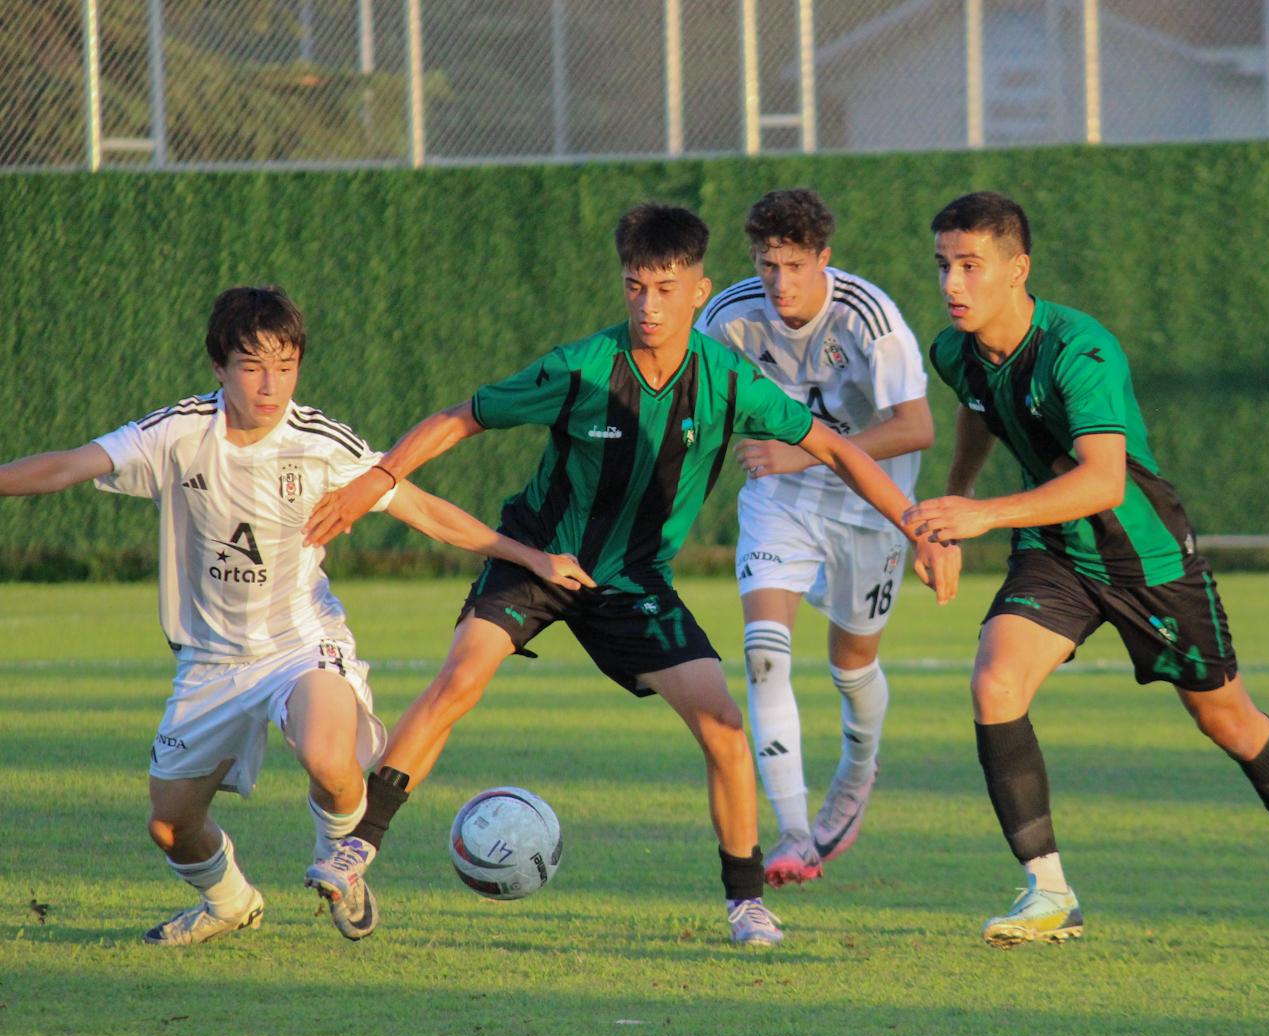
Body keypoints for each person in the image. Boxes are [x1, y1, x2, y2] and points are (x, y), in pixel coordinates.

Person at [302, 204, 958, 946]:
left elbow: (837, 449)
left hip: (636, 581)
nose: (649, 305)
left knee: (724, 725)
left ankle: (746, 904)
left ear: (700, 290)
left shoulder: (728, 380)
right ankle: (356, 850)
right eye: (635, 287)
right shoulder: (580, 368)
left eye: (666, 289)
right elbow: (464, 416)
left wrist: (917, 523)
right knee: (460, 679)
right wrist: (378, 477)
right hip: (540, 554)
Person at [0, 285, 589, 946]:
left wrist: (531, 558)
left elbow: (421, 508)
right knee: (170, 825)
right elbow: (70, 465)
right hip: (211, 663)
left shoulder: (319, 444)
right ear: (219, 369)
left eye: (285, 365)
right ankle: (229, 901)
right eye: (252, 365)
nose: (270, 383)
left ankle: (344, 864)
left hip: (300, 644)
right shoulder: (177, 434)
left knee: (330, 757)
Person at [904, 191, 1269, 950]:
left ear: (1019, 270)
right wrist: (957, 500)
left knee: (1227, 720)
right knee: (994, 682)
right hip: (1054, 552)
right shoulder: (954, 350)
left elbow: (1104, 481)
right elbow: (976, 407)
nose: (952, 283)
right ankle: (1049, 891)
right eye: (944, 264)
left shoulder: (1081, 349)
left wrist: (981, 517)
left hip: (1144, 558)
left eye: (971, 266)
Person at [695, 188, 933, 887]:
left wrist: (805, 449)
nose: (780, 283)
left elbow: (917, 426)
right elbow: (697, 405)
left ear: (824, 259)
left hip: (870, 509)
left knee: (851, 666)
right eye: (768, 265)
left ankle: (858, 772)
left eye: (795, 266)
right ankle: (795, 832)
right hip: (781, 501)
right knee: (764, 656)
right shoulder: (729, 317)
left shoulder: (869, 318)